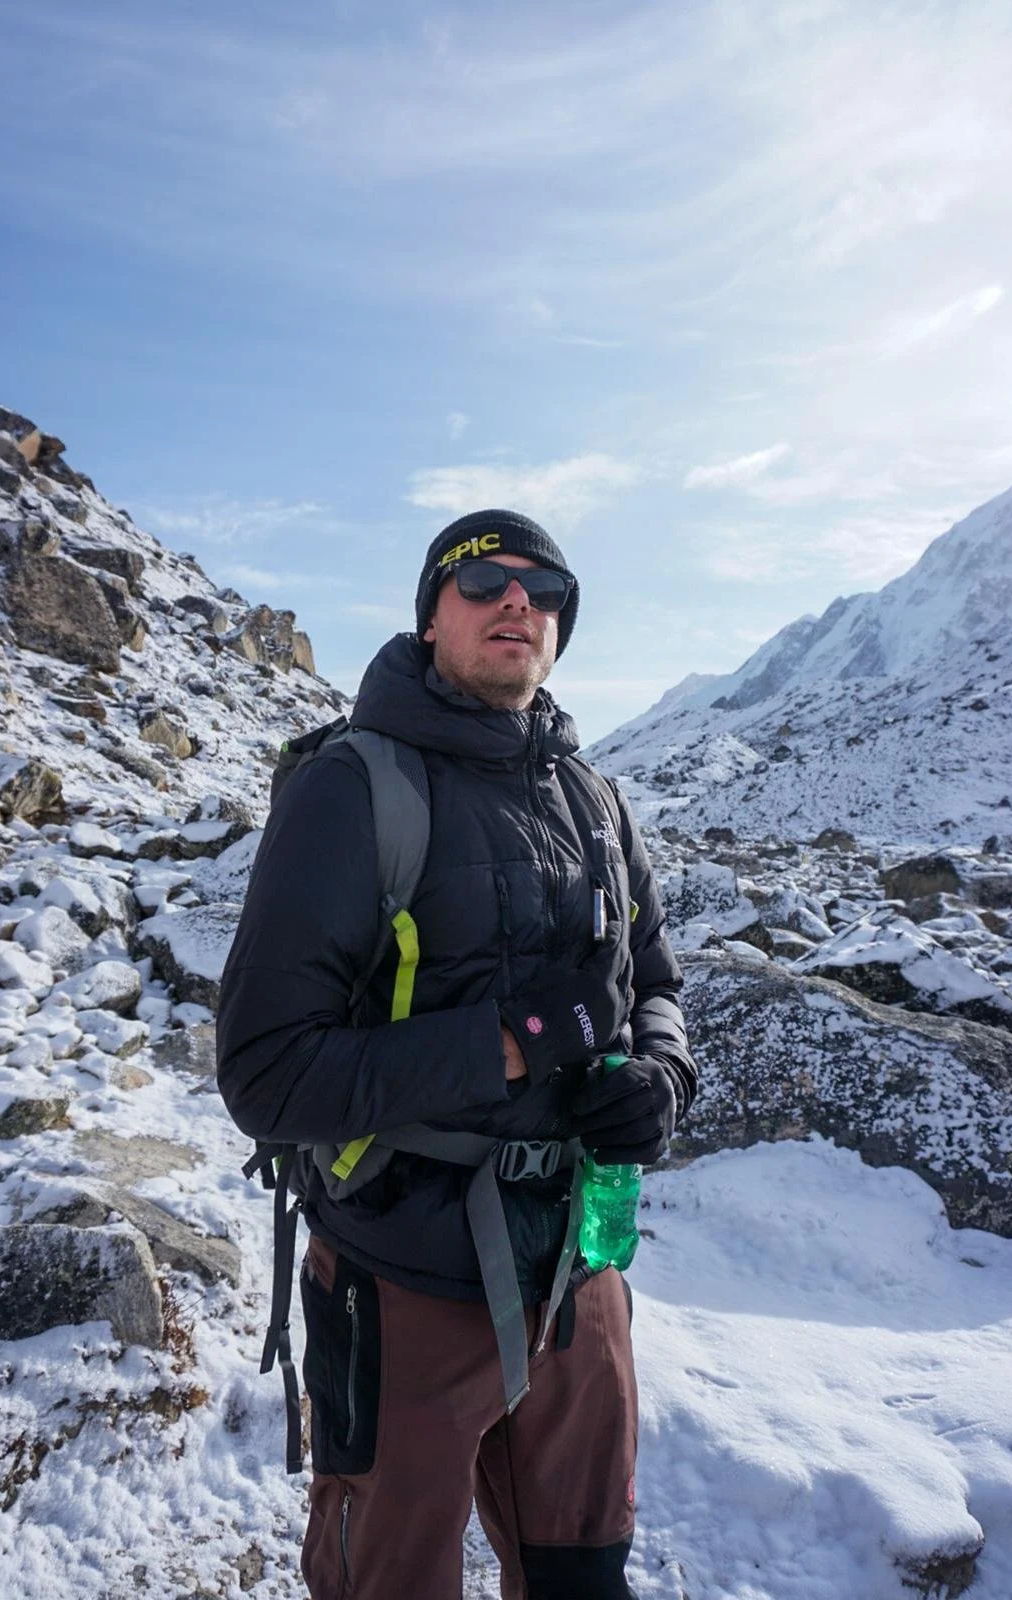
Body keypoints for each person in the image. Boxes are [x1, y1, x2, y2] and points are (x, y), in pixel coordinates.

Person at [217, 509, 697, 1600]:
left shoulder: (596, 800)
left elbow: (654, 986)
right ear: (431, 618)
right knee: (390, 1579)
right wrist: (521, 1043)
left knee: (584, 1574)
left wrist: (663, 1078)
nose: (517, 599)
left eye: (544, 588)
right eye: (483, 581)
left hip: (580, 1270)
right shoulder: (353, 789)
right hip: (403, 1277)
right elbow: (266, 1074)